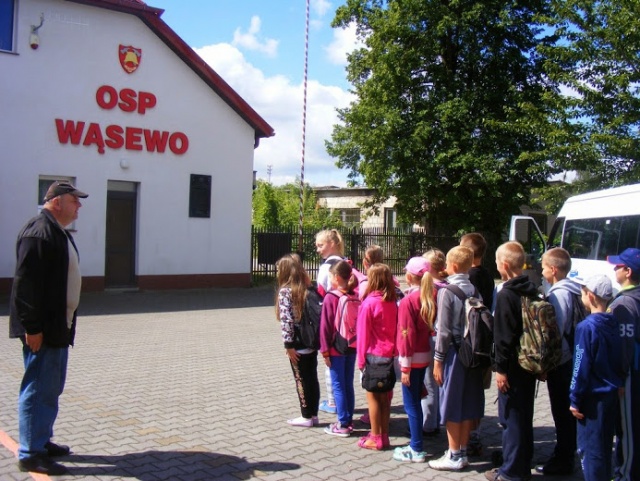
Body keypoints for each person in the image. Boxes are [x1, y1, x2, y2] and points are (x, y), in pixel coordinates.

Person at [9, 180, 88, 476]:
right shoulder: (39, 232)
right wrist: (32, 327)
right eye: (74, 200)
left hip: (57, 327)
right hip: (42, 330)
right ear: (56, 201)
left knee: (50, 388)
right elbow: (25, 285)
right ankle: (31, 454)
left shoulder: (56, 231)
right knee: (38, 388)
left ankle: (41, 440)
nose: (79, 206)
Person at [484, 241, 539, 481]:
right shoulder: (531, 288)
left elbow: (503, 337)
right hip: (529, 362)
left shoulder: (507, 294)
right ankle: (522, 464)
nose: (496, 265)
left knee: (511, 419)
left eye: (497, 262)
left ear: (504, 265)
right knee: (524, 416)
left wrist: (501, 369)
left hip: (513, 365)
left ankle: (511, 472)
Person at [428, 246, 484, 472]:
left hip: (453, 354)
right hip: (472, 354)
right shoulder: (475, 290)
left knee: (451, 403)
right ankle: (461, 450)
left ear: (451, 266)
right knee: (467, 403)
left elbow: (443, 330)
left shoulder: (447, 291)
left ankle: (453, 454)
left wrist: (438, 360)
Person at [570, 275, 624, 481]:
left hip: (591, 398)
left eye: (583, 292)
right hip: (610, 394)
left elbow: (580, 365)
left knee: (590, 450)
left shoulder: (586, 327)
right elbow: (620, 356)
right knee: (604, 446)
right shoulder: (614, 322)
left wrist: (575, 398)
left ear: (590, 296)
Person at [535, 247, 582, 475]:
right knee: (566, 412)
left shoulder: (558, 294)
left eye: (543, 267)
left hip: (562, 362)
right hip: (572, 358)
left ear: (553, 270)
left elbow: (555, 332)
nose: (541, 271)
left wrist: (546, 364)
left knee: (562, 412)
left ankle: (563, 460)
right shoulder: (575, 290)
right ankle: (567, 453)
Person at [393, 257, 435, 463]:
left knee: (411, 405)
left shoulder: (409, 301)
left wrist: (405, 366)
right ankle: (416, 443)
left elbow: (405, 334)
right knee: (417, 398)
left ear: (409, 276)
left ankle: (416, 447)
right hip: (425, 354)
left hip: (411, 358)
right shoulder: (431, 295)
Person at [356, 263, 398, 451]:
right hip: (389, 355)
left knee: (372, 397)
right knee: (385, 399)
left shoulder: (368, 303)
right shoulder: (392, 301)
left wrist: (360, 360)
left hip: (373, 355)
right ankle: (385, 435)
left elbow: (363, 334)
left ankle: (375, 437)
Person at [606, 248, 640, 481]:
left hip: (629, 374)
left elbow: (625, 345)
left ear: (627, 271)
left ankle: (626, 474)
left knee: (627, 429)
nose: (614, 269)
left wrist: (619, 375)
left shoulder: (625, 303)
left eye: (618, 266)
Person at [275, 254, 320, 428]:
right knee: (312, 378)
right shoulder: (307, 288)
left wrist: (288, 345)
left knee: (301, 380)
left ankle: (306, 415)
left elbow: (287, 320)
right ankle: (314, 414)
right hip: (311, 340)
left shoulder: (285, 291)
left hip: (297, 343)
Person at [459, 232, 494, 457]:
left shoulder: (470, 277)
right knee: (478, 390)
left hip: (471, 341)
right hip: (485, 341)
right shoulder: (487, 275)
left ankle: (470, 436)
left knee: (469, 391)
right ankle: (476, 433)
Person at [320, 260, 359, 437]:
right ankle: (349, 418)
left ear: (336, 277)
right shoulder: (354, 294)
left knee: (338, 385)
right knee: (348, 383)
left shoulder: (331, 297)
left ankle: (343, 423)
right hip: (352, 344)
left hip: (336, 347)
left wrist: (325, 350)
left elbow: (325, 326)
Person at [315, 229, 345, 414]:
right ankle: (342, 399)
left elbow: (320, 291)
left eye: (321, 245)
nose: (318, 249)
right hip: (345, 318)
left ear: (332, 244)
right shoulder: (346, 262)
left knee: (329, 359)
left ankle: (333, 402)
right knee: (344, 361)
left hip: (330, 315)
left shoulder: (327, 267)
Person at [421, 248, 448, 436]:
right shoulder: (448, 286)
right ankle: (439, 418)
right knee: (439, 382)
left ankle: (428, 424)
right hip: (446, 340)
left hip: (431, 338)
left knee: (429, 383)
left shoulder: (432, 289)